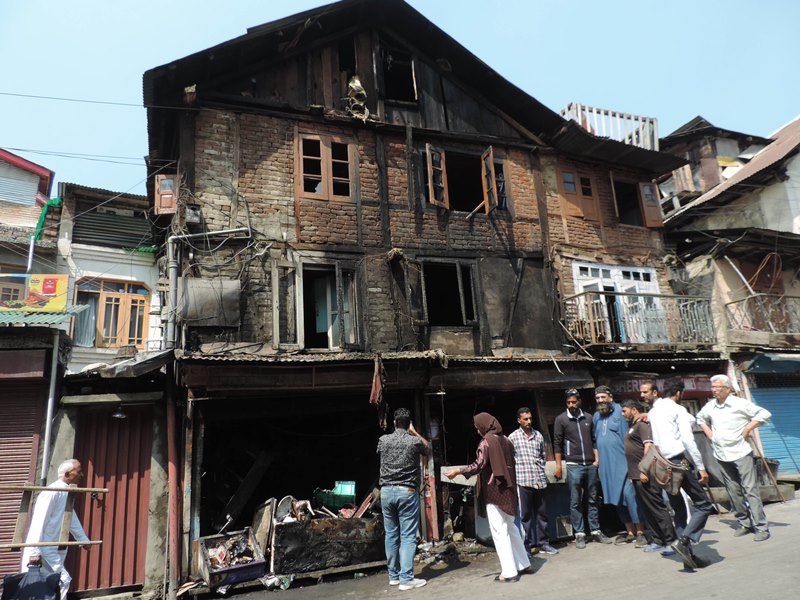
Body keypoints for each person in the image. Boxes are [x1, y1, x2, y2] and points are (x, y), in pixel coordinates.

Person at [446, 413, 530, 582]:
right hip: (509, 490)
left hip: (495, 491)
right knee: (511, 528)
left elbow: (479, 465)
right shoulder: (506, 440)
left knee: (500, 532)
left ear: (484, 426)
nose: (477, 430)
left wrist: (458, 471)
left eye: (478, 426)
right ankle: (523, 563)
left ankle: (509, 572)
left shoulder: (486, 442)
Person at [646, 378, 713, 568]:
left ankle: (688, 559)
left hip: (662, 465)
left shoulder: (653, 411)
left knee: (679, 511)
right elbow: (689, 441)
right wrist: (701, 467)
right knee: (704, 504)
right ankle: (684, 541)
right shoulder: (678, 409)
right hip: (678, 461)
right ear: (678, 393)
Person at [696, 374, 771, 542]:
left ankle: (761, 526)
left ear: (727, 389)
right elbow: (700, 418)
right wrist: (709, 434)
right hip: (721, 454)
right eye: (712, 387)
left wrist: (747, 429)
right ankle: (744, 523)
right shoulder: (711, 406)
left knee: (750, 489)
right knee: (733, 491)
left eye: (717, 387)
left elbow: (764, 414)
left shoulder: (739, 404)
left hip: (741, 452)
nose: (714, 390)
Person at [377, 408, 431, 590]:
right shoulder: (414, 441)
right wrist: (414, 432)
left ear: (394, 422)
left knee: (391, 534)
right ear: (409, 424)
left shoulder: (383, 440)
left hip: (385, 492)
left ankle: (393, 576)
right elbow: (428, 448)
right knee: (408, 536)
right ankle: (406, 579)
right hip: (406, 491)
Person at [21, 459, 90, 600]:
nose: (81, 474)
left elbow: (70, 519)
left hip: (53, 547)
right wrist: (34, 551)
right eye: (78, 471)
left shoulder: (66, 492)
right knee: (64, 579)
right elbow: (39, 521)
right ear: (67, 474)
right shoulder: (51, 492)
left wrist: (83, 540)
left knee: (48, 583)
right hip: (44, 547)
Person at [553, 389, 609, 549]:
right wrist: (558, 465)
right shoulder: (561, 419)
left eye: (573, 402)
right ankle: (579, 534)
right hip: (573, 465)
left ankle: (596, 531)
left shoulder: (589, 418)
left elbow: (594, 440)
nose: (571, 405)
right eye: (568, 402)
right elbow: (557, 443)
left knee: (592, 499)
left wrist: (596, 460)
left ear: (579, 402)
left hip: (590, 464)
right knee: (575, 500)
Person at [620, 400, 677, 556]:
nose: (623, 414)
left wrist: (644, 470)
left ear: (634, 409)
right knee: (647, 510)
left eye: (624, 410)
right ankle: (658, 540)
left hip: (646, 475)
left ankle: (671, 542)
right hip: (636, 476)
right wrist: (633, 475)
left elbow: (649, 447)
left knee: (657, 509)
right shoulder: (632, 426)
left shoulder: (642, 425)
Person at [593, 386, 646, 546]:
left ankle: (641, 532)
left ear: (610, 396)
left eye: (603, 397)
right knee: (617, 499)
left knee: (631, 498)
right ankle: (630, 532)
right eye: (598, 398)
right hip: (607, 467)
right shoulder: (596, 417)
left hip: (624, 464)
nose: (600, 401)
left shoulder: (620, 412)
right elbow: (596, 440)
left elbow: (630, 438)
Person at [508, 407, 558, 555]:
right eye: (525, 419)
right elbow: (510, 460)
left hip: (539, 480)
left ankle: (543, 543)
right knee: (526, 516)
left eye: (530, 418)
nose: (529, 421)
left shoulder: (538, 436)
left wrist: (539, 469)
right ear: (519, 420)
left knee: (542, 514)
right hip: (523, 481)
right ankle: (527, 546)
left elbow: (543, 456)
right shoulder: (513, 438)